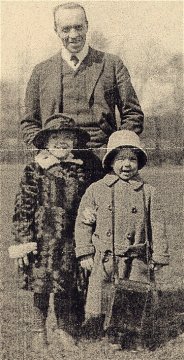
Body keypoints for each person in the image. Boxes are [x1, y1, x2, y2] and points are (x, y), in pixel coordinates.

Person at [75, 130, 169, 350]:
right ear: (110, 162)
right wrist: (85, 251)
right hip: (107, 258)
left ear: (139, 162)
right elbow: (84, 222)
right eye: (120, 159)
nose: (126, 165)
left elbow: (157, 225)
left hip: (137, 258)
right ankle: (114, 334)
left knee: (135, 297)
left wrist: (159, 254)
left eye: (132, 159)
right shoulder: (97, 190)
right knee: (108, 297)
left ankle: (134, 335)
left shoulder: (148, 192)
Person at [9, 114, 93, 357]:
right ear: (46, 143)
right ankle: (38, 332)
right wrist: (24, 241)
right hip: (41, 243)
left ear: (74, 142)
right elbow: (22, 207)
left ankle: (65, 331)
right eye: (55, 138)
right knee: (41, 289)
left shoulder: (81, 171)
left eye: (67, 138)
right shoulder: (35, 169)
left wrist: (89, 214)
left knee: (67, 288)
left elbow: (86, 201)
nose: (61, 143)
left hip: (69, 241)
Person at [21, 2, 144, 162]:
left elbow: (133, 114)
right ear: (56, 30)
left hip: (103, 160)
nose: (73, 35)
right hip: (56, 161)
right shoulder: (41, 71)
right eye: (66, 29)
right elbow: (29, 123)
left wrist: (116, 148)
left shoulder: (112, 64)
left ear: (87, 26)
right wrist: (47, 152)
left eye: (78, 27)